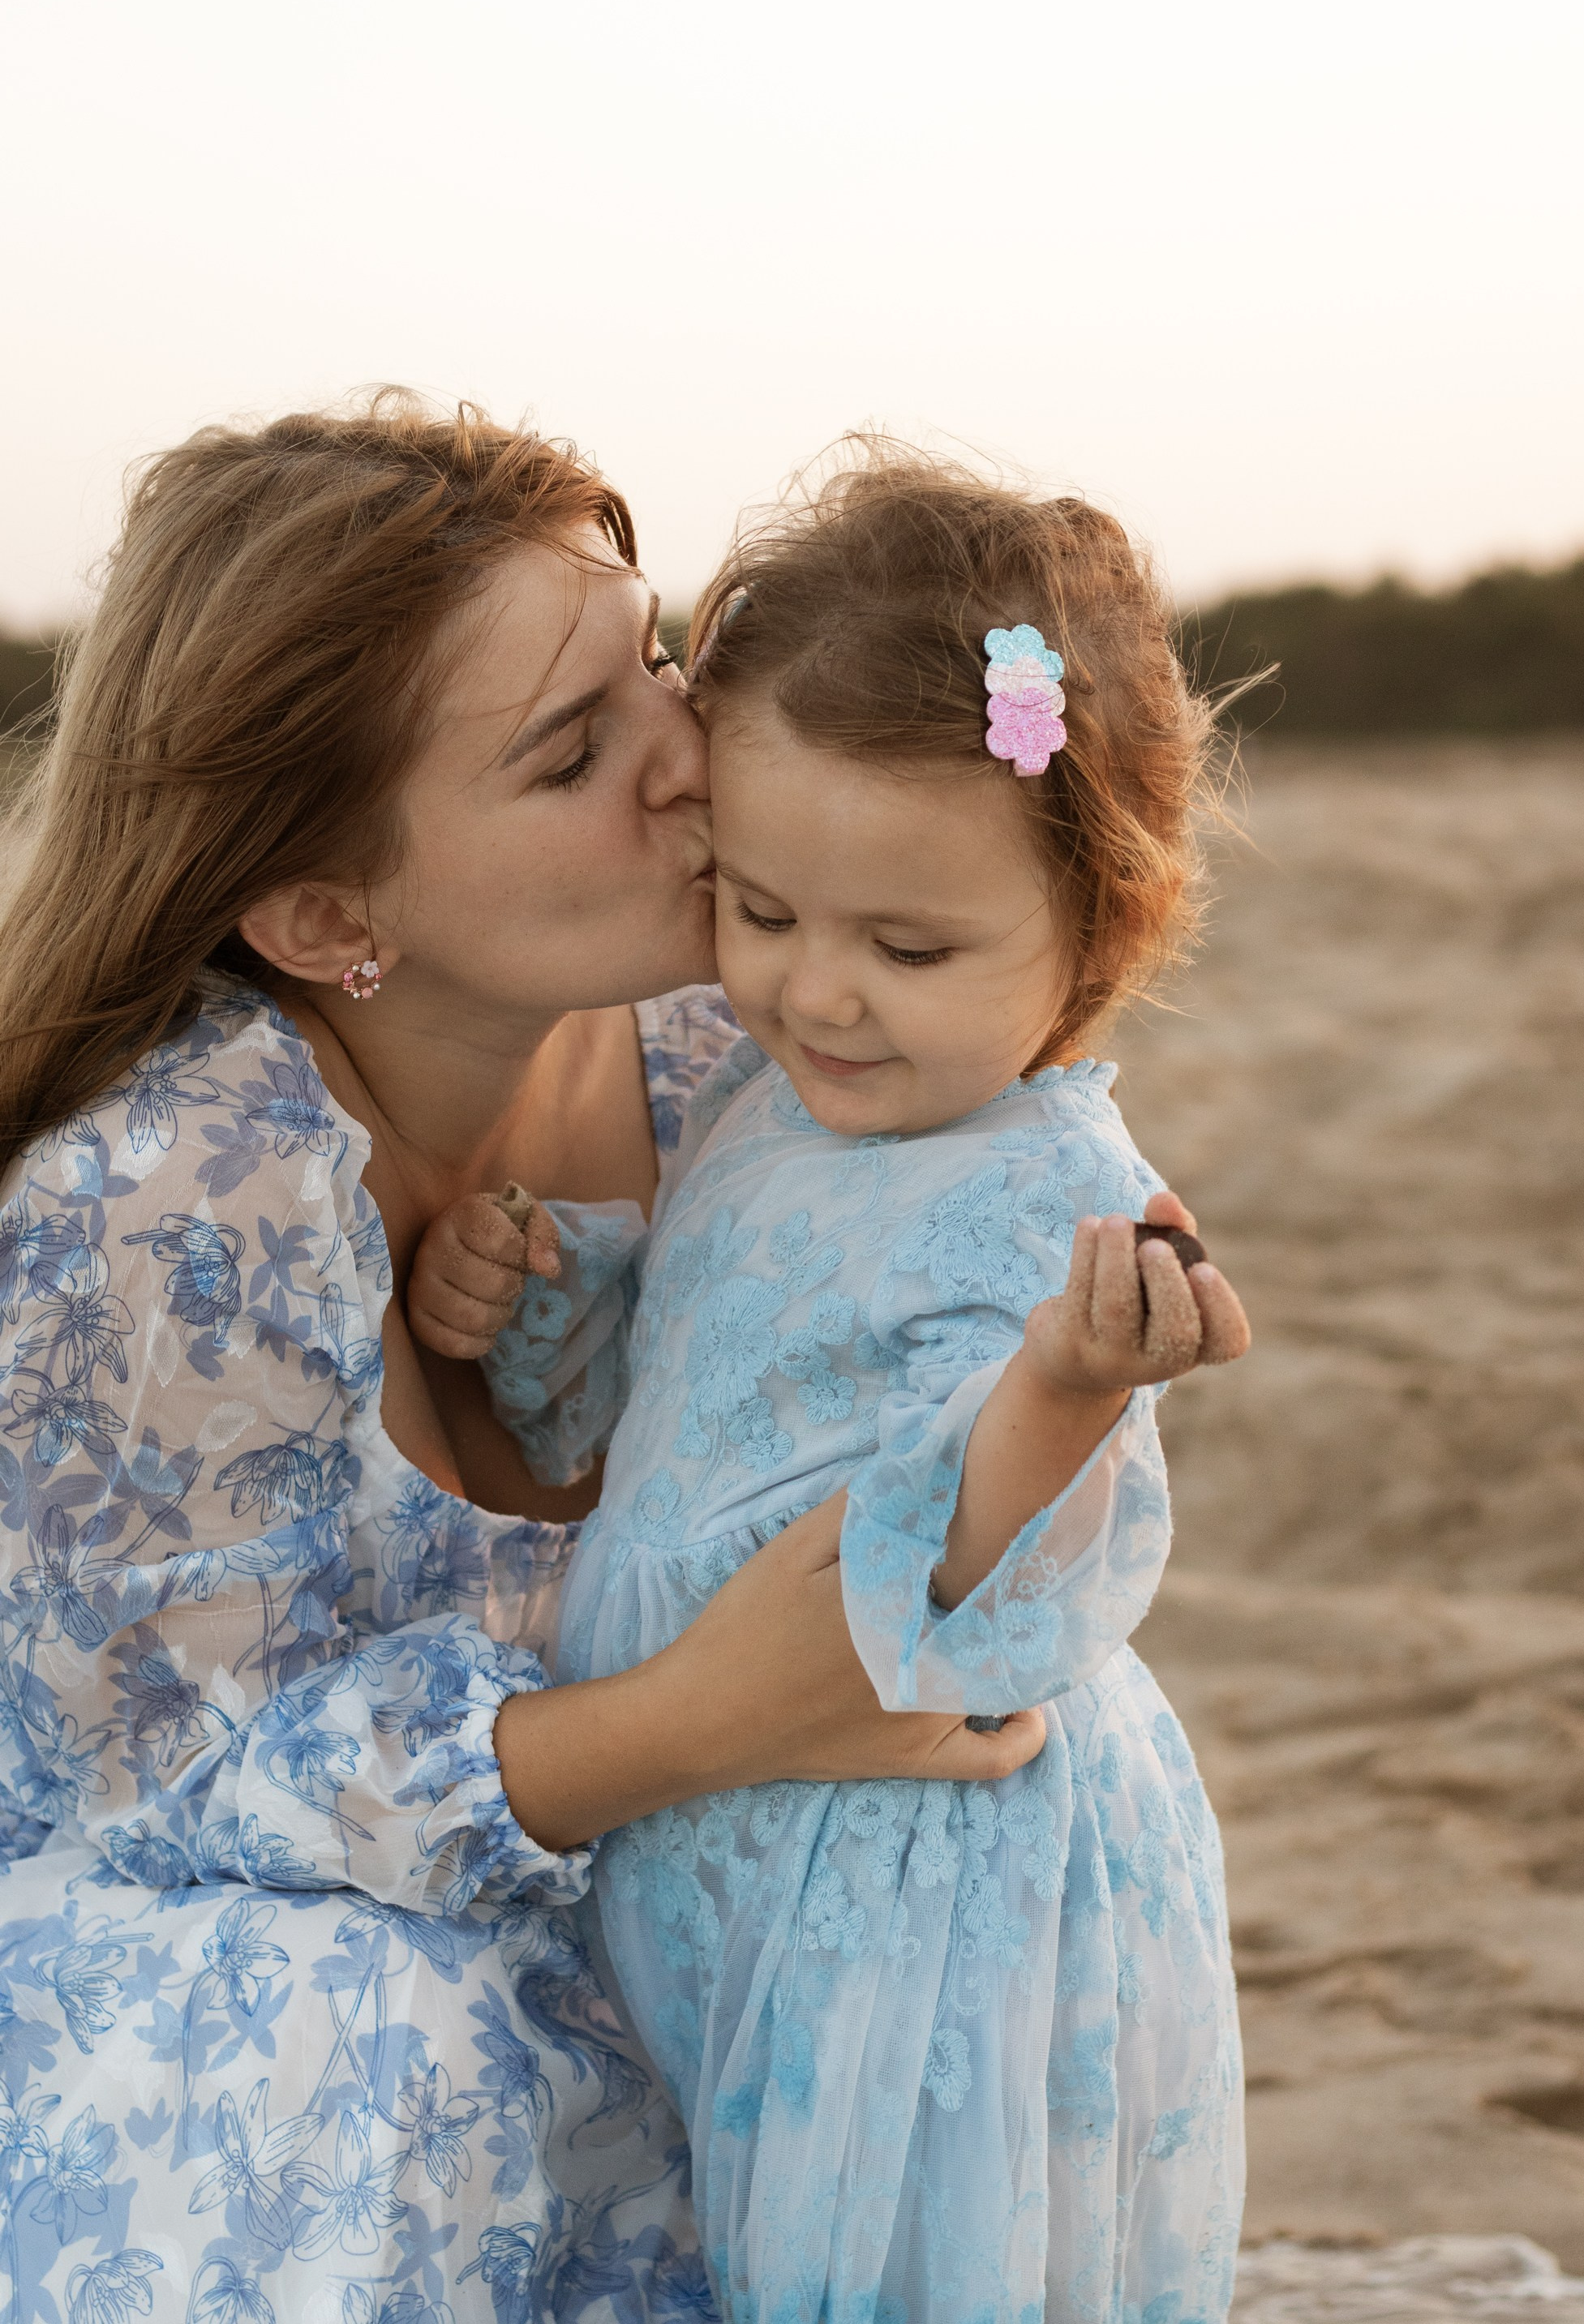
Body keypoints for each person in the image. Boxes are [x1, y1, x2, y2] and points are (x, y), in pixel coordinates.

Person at [0, 399, 1050, 2324]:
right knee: (369, 2028)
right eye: (573, 752)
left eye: (656, 659)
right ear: (331, 917)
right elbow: (163, 1805)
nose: (686, 753)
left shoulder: (737, 1051)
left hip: (636, 1901)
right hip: (217, 1999)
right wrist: (694, 1721)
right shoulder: (164, 1204)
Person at [408, 451, 1251, 2322]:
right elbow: (686, 1378)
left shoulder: (1058, 1202)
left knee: (885, 2256)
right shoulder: (754, 1100)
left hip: (909, 1874)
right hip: (730, 1828)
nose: (819, 996)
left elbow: (1001, 1565)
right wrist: (543, 1299)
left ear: (1095, 929)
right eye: (765, 913)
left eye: (910, 947)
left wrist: (1067, 1387)